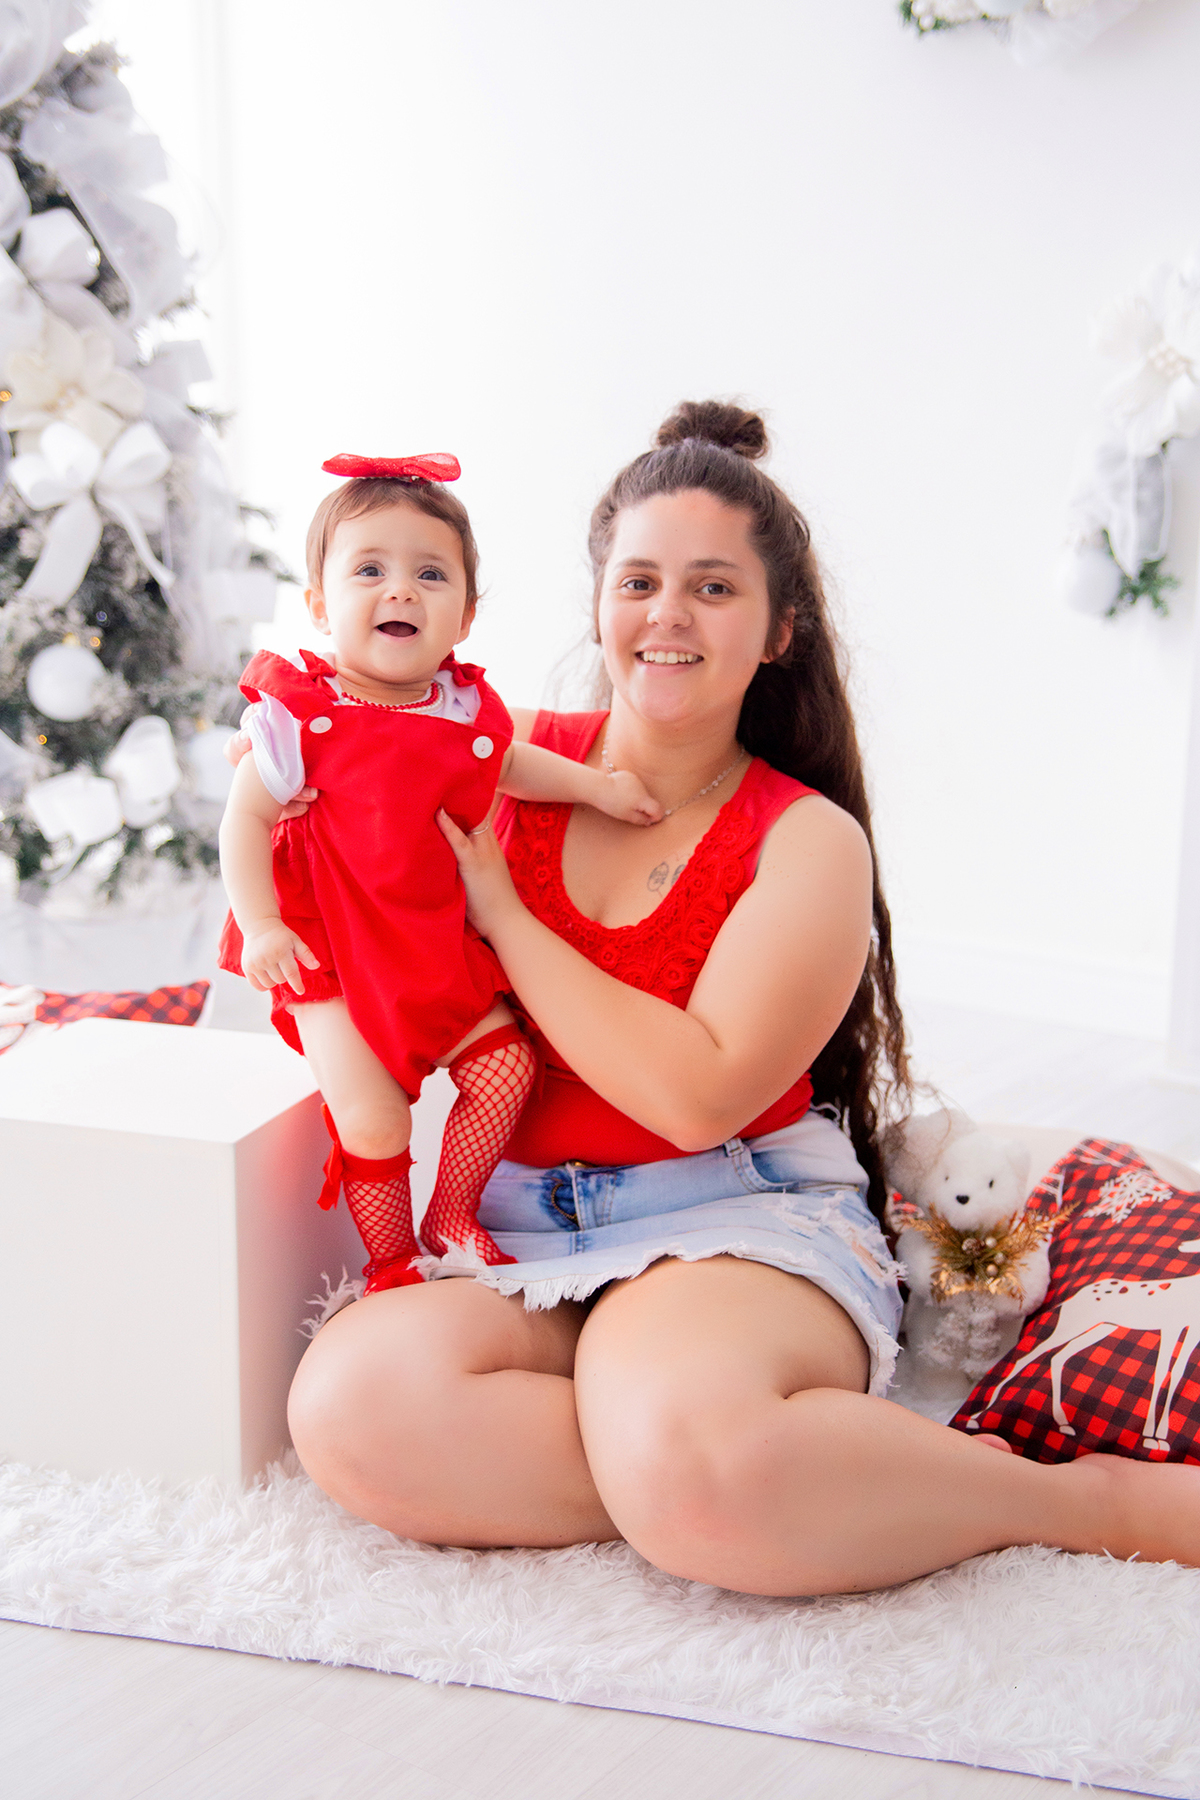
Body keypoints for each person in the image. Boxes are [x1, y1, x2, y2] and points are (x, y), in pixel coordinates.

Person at [281, 404, 1200, 1596]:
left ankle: (1063, 1497)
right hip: (514, 1229)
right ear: (600, 602)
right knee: (356, 1411)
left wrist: (504, 913)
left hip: (731, 1213)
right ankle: (731, 1474)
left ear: (779, 631)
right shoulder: (483, 759)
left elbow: (696, 1094)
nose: (666, 615)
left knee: (692, 1456)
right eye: (640, 581)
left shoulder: (806, 840)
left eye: (713, 588)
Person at [218, 452, 660, 1294]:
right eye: (369, 571)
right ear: (319, 606)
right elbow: (244, 818)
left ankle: (451, 1213)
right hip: (332, 951)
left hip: (424, 940)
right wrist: (264, 923)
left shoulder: (462, 710)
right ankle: (390, 1260)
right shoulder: (300, 720)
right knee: (374, 1113)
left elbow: (515, 768)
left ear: (464, 615)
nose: (401, 591)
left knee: (506, 1066)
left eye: (430, 574)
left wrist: (599, 787)